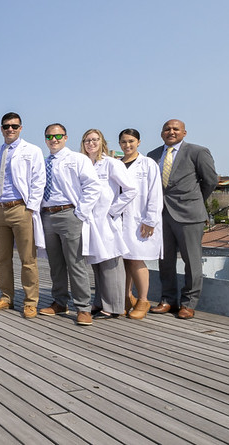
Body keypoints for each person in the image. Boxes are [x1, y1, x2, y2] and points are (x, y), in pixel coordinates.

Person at [147, 119, 217, 319]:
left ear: (184, 132)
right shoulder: (152, 155)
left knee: (192, 261)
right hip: (162, 215)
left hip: (189, 215)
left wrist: (195, 202)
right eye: (167, 129)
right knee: (165, 260)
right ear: (161, 133)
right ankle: (168, 300)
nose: (171, 132)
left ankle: (189, 303)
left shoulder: (197, 152)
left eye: (175, 129)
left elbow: (210, 181)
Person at [39, 123, 102, 326]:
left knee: (75, 263)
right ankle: (60, 302)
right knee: (55, 264)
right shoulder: (44, 161)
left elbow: (92, 186)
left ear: (65, 138)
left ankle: (83, 307)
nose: (54, 140)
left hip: (69, 214)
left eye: (58, 136)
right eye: (49, 137)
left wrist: (80, 213)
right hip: (48, 215)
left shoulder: (77, 159)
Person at [0, 112, 45, 319]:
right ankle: (6, 297)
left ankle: (30, 302)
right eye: (6, 126)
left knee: (28, 259)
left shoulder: (32, 151)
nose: (10, 129)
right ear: (1, 129)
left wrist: (31, 208)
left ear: (21, 128)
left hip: (21, 209)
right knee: (3, 259)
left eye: (14, 126)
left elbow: (38, 180)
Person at [80, 129, 136, 319]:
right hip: (90, 220)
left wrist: (113, 210)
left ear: (102, 142)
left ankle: (114, 306)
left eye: (95, 140)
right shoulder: (83, 164)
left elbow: (130, 190)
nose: (91, 143)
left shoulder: (111, 163)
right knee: (96, 263)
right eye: (87, 140)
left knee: (110, 263)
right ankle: (99, 301)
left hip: (106, 221)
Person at [118, 128, 163, 320]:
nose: (127, 145)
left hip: (140, 220)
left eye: (131, 141)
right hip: (119, 220)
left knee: (136, 258)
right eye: (123, 142)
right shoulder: (117, 164)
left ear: (138, 142)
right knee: (123, 260)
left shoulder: (148, 164)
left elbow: (155, 193)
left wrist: (150, 219)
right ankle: (127, 297)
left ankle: (143, 300)